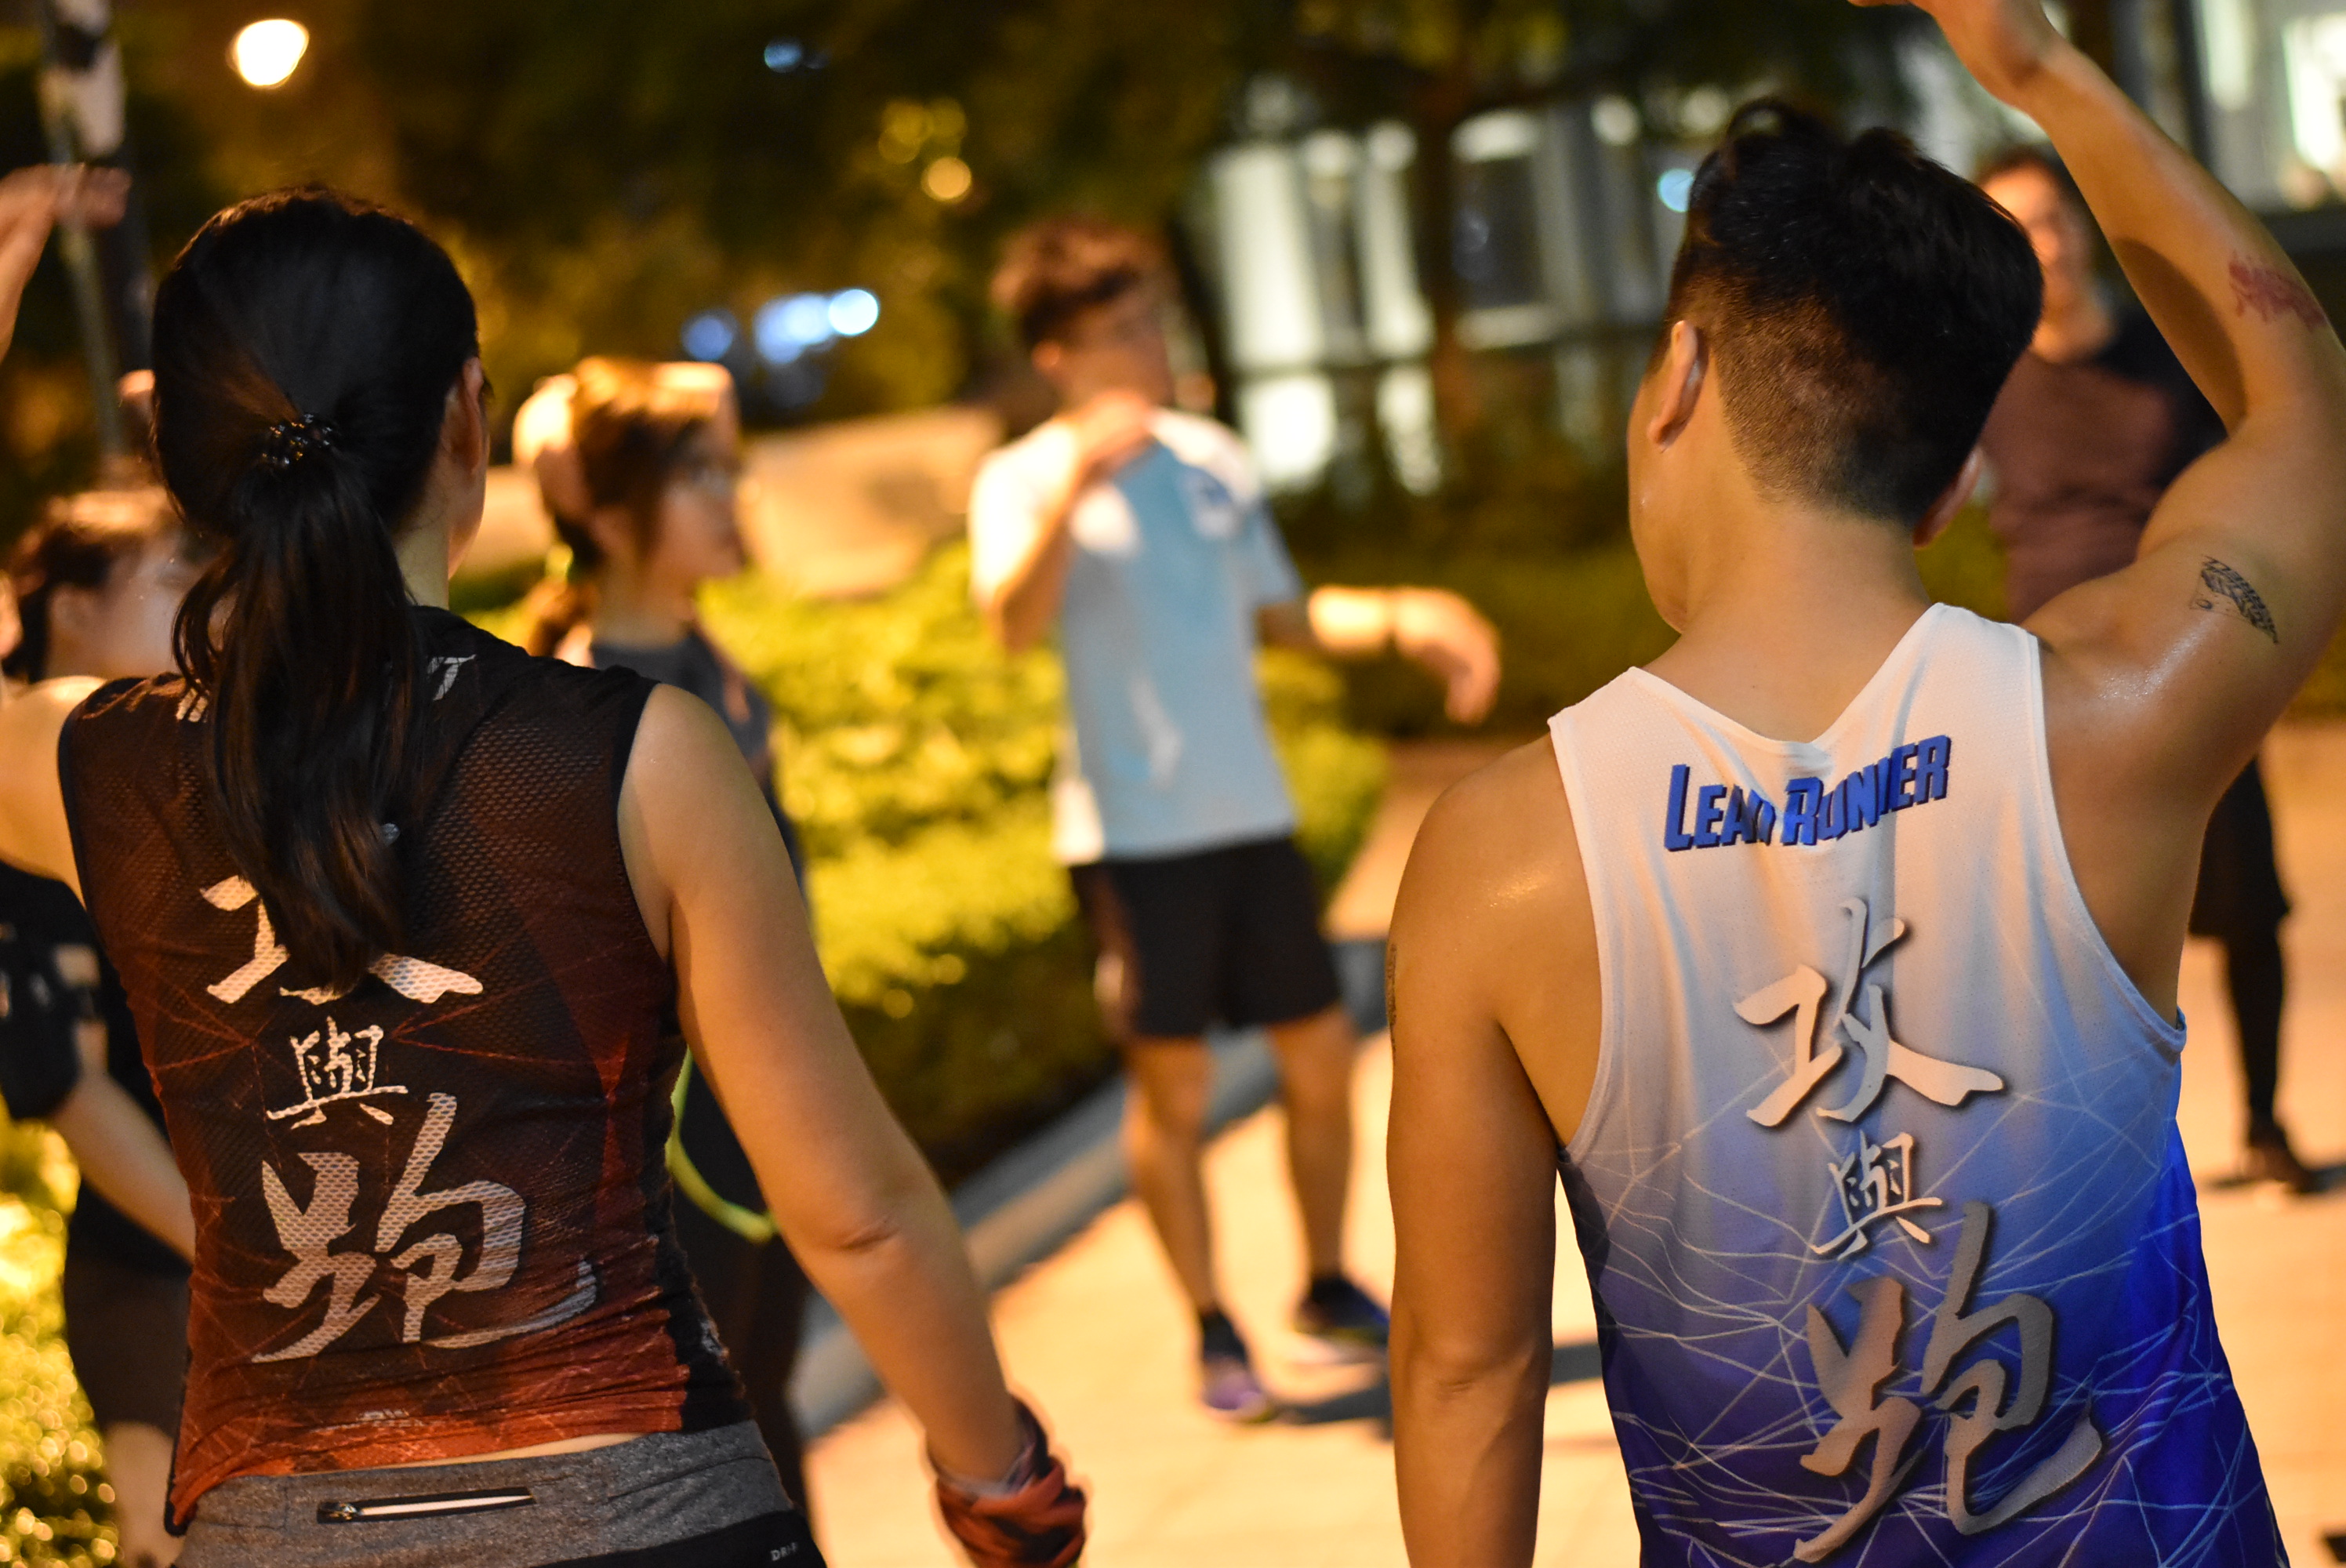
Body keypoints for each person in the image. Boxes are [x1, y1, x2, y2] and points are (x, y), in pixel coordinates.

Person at [0, 187, 1084, 1568]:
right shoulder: (646, 758)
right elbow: (856, 1215)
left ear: (178, 457)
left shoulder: (85, 766)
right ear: (468, 418)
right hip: (648, 1516)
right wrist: (997, 1474)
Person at [1385, 0, 2334, 1558]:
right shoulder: (2116, 720)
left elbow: (1464, 1375)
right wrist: (2038, 72)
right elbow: (2303, 415)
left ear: (1677, 378)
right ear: (1954, 483)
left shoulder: (1500, 857)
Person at [971, 216, 1502, 1421]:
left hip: (1250, 815)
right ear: (1056, 355)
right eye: (1119, 332)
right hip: (1133, 837)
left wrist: (1405, 617)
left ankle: (1324, 1283)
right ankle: (1211, 1324)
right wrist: (1075, 483)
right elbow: (1009, 624)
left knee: (1320, 1058)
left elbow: (1286, 617)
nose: (1149, 348)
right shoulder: (1021, 478)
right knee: (1174, 1093)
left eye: (1152, 322)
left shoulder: (1211, 458)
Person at [1976, 145, 2316, 1193]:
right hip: (2051, 681)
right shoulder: (1980, 376)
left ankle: (2265, 1124)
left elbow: (2259, 459)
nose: (2045, 246)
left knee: (2246, 905)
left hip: (2190, 656)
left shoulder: (2161, 351)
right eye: (2016, 231)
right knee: (2079, 938)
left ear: (2080, 225)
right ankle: (2104, 1165)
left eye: (2052, 219)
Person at [513, 357, 818, 1519]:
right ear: (606, 511)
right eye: (697, 475)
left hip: (765, 1094)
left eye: (728, 469)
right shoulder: (584, 694)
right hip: (681, 1132)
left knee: (770, 1407)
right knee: (719, 1445)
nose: (730, 496)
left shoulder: (698, 654)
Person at [2, 485, 202, 1568]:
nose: (198, 605)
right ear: (72, 607)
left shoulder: (167, 760)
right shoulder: (31, 776)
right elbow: (67, 1085)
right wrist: (233, 1254)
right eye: (169, 579)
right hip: (160, 1257)